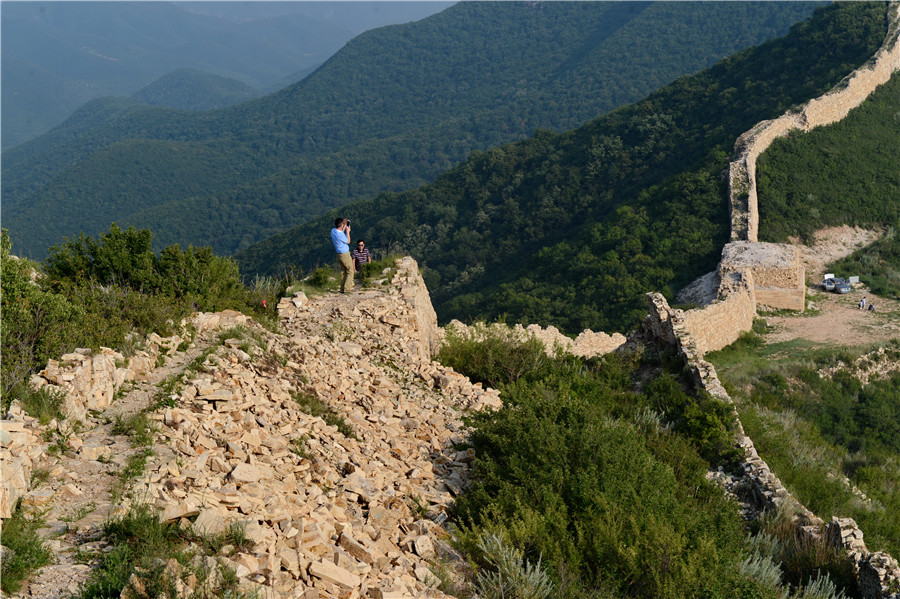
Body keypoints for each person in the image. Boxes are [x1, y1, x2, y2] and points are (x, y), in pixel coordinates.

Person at [330, 217, 353, 293]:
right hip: (344, 254)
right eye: (343, 224)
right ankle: (347, 289)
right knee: (350, 271)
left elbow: (340, 233)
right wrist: (348, 231)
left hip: (338, 253)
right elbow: (348, 241)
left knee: (343, 271)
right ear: (341, 225)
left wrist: (344, 226)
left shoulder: (333, 231)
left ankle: (342, 288)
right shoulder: (341, 235)